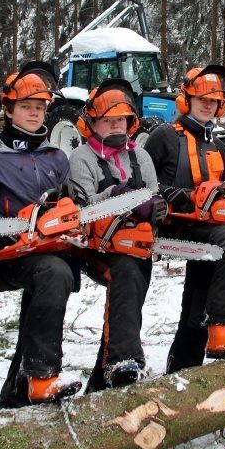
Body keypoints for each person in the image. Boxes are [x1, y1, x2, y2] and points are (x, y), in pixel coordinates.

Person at [144, 65, 225, 373]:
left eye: (213, 100)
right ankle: (222, 328)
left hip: (211, 228)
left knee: (202, 285)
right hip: (175, 224)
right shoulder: (164, 136)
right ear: (186, 100)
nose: (207, 105)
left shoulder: (218, 145)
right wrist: (172, 194)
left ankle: (183, 364)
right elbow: (141, 181)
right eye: (201, 99)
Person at [0, 62, 81, 407]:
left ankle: (14, 395)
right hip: (11, 251)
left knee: (52, 279)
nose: (34, 114)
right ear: (8, 109)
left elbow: (72, 201)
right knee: (54, 275)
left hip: (52, 246)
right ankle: (41, 375)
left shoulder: (57, 157)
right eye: (25, 107)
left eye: (39, 107)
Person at [67, 79, 166, 392]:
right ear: (93, 123)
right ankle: (123, 360)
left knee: (129, 296)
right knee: (126, 275)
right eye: (107, 121)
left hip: (136, 242)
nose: (114, 126)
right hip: (96, 247)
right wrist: (115, 194)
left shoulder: (141, 157)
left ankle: (101, 380)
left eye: (119, 120)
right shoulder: (81, 158)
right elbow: (81, 208)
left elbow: (153, 192)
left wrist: (156, 207)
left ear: (130, 122)